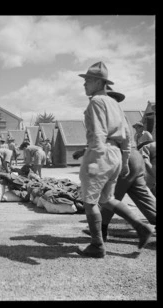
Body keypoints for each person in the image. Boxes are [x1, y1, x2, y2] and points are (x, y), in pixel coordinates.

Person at [76, 61, 152, 258]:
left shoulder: (95, 102)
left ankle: (97, 246)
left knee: (90, 201)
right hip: (116, 154)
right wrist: (124, 160)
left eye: (88, 81)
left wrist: (95, 158)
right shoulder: (116, 105)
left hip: (101, 153)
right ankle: (141, 227)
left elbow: (99, 133)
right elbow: (127, 135)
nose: (84, 85)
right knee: (107, 199)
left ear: (100, 83)